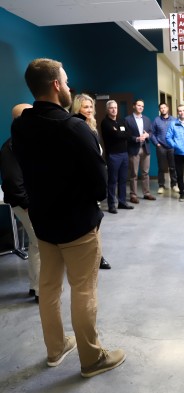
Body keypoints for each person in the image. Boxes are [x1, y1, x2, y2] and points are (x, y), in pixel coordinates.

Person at [12, 58, 126, 376]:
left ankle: (55, 348)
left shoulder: (21, 125)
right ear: (56, 85)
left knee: (49, 289)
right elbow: (100, 186)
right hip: (78, 226)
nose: (69, 85)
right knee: (83, 289)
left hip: (44, 225)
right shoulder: (74, 128)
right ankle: (92, 359)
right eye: (66, 80)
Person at [0, 103, 40, 304]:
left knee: (35, 244)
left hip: (30, 201)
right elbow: (12, 180)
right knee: (41, 243)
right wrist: (27, 203)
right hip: (25, 204)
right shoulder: (11, 146)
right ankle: (42, 291)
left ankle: (36, 286)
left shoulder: (27, 141)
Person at [70, 93, 112, 270]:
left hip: (95, 178)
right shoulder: (75, 126)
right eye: (85, 107)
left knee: (96, 221)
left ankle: (97, 255)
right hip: (84, 183)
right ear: (77, 107)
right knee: (91, 222)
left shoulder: (91, 126)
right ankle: (95, 256)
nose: (88, 110)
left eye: (90, 107)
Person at [100, 100, 133, 214]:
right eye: (111, 108)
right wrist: (119, 133)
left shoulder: (121, 120)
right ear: (107, 109)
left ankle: (122, 202)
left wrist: (119, 133)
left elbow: (128, 134)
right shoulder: (105, 123)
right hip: (113, 155)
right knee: (113, 181)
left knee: (123, 180)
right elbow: (116, 136)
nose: (114, 110)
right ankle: (111, 205)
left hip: (124, 154)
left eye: (116, 108)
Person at [125, 99, 156, 203]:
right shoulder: (127, 120)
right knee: (133, 173)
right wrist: (136, 139)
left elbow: (151, 132)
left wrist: (148, 135)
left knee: (145, 173)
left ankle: (146, 193)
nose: (140, 107)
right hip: (134, 149)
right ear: (134, 106)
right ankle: (133, 195)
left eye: (142, 106)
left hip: (145, 148)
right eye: (138, 105)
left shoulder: (147, 119)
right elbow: (126, 135)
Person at [151, 102, 179, 194]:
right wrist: (157, 144)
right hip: (161, 147)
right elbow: (152, 133)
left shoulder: (174, 120)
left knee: (173, 167)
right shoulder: (156, 120)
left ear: (168, 108)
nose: (163, 109)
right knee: (161, 168)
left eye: (164, 107)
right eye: (161, 108)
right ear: (160, 110)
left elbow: (177, 133)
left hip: (172, 147)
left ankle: (174, 185)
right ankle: (161, 186)